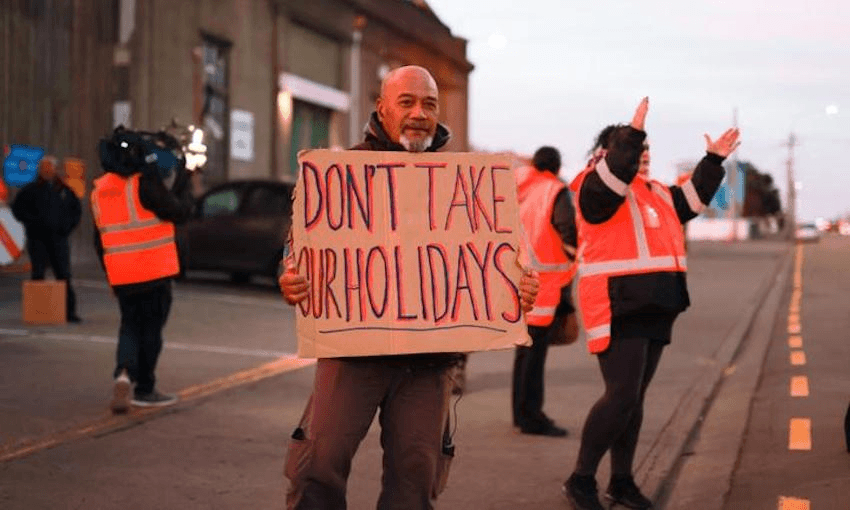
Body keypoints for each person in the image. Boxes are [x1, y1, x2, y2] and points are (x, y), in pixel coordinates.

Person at [279, 65, 540, 510]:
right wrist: (289, 278)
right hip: (352, 352)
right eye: (407, 102)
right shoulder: (341, 173)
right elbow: (296, 250)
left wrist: (518, 289)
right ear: (382, 107)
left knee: (415, 479)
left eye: (429, 104)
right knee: (319, 466)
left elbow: (498, 260)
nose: (420, 113)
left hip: (429, 363)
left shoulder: (466, 184)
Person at [562, 97, 740, 510]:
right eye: (633, 149)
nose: (642, 155)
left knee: (634, 400)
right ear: (608, 154)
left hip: (657, 303)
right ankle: (580, 479)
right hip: (617, 304)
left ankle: (621, 482)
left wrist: (712, 160)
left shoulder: (656, 192)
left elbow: (693, 200)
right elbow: (612, 179)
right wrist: (633, 133)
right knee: (621, 396)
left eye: (645, 150)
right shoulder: (595, 187)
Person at [91, 127, 194, 414]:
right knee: (151, 330)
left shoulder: (100, 190)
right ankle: (145, 388)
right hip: (154, 271)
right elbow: (178, 211)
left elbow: (99, 240)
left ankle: (124, 373)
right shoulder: (144, 183)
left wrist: (111, 272)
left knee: (129, 326)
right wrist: (185, 180)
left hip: (123, 274)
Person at [512, 146, 577, 437]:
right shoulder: (555, 192)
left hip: (516, 280)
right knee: (534, 356)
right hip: (545, 284)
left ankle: (520, 413)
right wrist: (573, 256)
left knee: (523, 352)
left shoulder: (518, 189)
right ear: (557, 168)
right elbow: (569, 233)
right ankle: (531, 417)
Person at [11, 156, 82, 322]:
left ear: (55, 169)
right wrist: (32, 223)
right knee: (38, 275)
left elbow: (75, 211)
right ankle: (38, 312)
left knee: (63, 275)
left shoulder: (64, 190)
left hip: (59, 240)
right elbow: (18, 210)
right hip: (38, 240)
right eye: (44, 167)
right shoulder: (31, 190)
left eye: (49, 167)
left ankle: (69, 313)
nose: (47, 170)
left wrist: (66, 227)